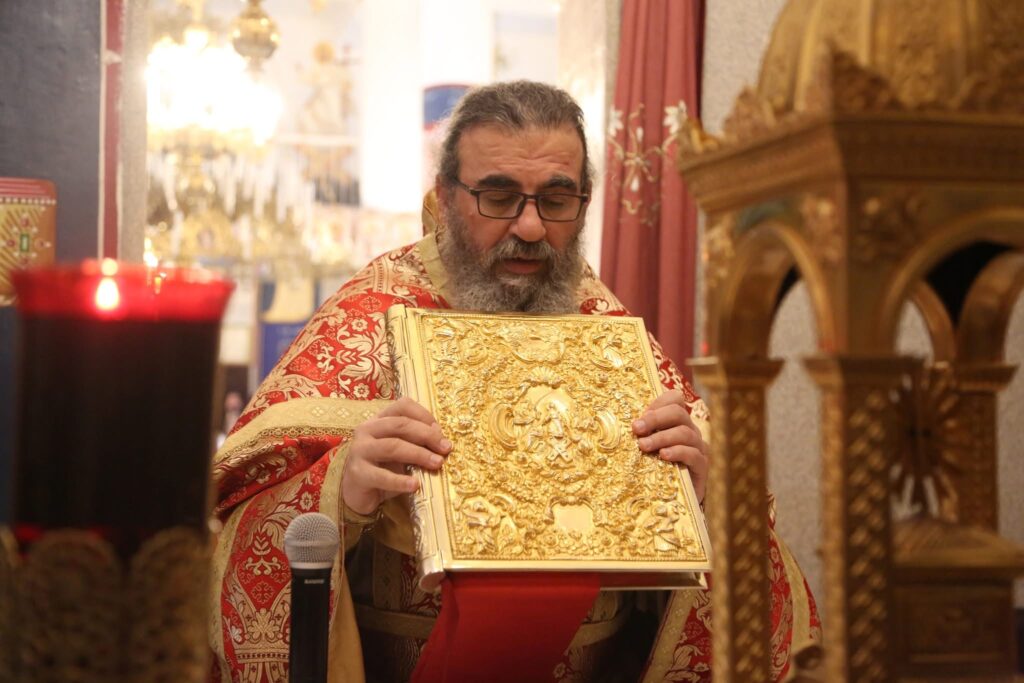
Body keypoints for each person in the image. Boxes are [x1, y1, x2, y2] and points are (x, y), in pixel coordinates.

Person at [209, 81, 820, 683]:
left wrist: (705, 498)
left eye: (556, 199)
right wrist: (341, 489)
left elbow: (738, 570)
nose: (530, 227)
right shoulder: (370, 313)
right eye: (499, 197)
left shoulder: (608, 330)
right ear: (446, 196)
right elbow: (238, 535)